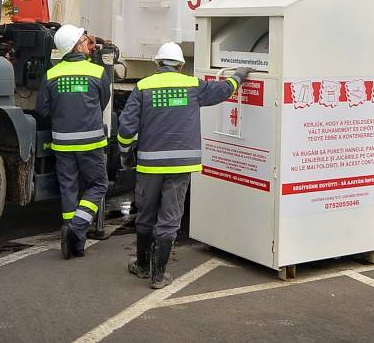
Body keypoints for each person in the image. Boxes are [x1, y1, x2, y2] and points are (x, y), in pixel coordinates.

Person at [117, 43, 249, 289]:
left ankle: (143, 266)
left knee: (145, 215)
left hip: (150, 165)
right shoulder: (192, 85)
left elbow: (126, 127)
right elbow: (223, 90)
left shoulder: (143, 87)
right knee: (170, 217)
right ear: (180, 65)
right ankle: (159, 276)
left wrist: (125, 152)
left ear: (158, 63)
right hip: (181, 165)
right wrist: (239, 76)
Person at [37, 24, 112, 259]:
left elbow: (42, 109)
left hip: (62, 144)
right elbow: (104, 100)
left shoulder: (51, 74)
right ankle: (77, 227)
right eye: (83, 38)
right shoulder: (97, 72)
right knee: (98, 185)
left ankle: (75, 245)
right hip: (90, 142)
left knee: (68, 189)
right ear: (77, 45)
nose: (87, 42)